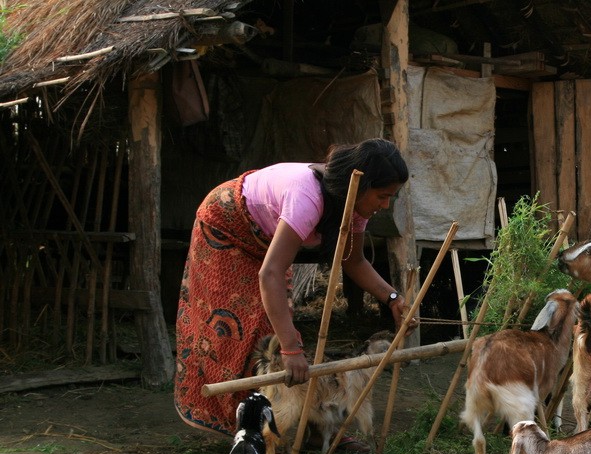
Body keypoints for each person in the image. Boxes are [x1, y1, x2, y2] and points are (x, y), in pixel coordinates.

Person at [174, 138, 414, 438]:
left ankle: (303, 426)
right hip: (226, 227)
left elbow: (353, 261)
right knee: (247, 330)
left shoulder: (354, 204)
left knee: (275, 326)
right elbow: (270, 274)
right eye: (382, 195)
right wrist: (290, 348)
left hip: (263, 241)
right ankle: (249, 431)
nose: (385, 205)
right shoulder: (307, 197)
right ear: (363, 186)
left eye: (391, 197)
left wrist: (392, 298)